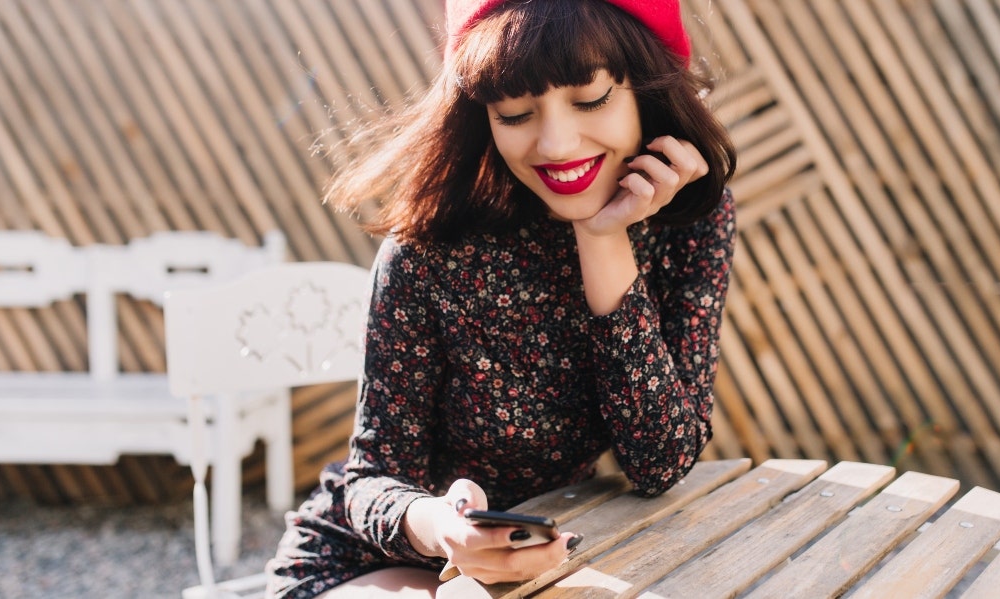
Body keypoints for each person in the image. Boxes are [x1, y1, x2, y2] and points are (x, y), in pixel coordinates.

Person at [266, 0, 737, 596]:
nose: (558, 143)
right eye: (515, 111)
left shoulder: (688, 220)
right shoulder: (431, 252)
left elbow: (660, 462)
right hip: (382, 560)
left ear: (648, 88)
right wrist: (444, 527)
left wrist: (602, 237)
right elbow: (372, 477)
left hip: (545, 554)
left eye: (590, 98)